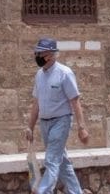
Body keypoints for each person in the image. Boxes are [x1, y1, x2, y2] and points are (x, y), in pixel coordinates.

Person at [24, 38, 90, 194]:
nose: (37, 55)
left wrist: (82, 127)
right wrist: (30, 126)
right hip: (45, 123)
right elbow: (36, 103)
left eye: (40, 52)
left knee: (51, 160)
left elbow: (75, 101)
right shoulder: (39, 75)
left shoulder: (64, 73)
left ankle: (42, 191)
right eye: (37, 52)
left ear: (50, 55)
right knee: (62, 162)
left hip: (61, 121)